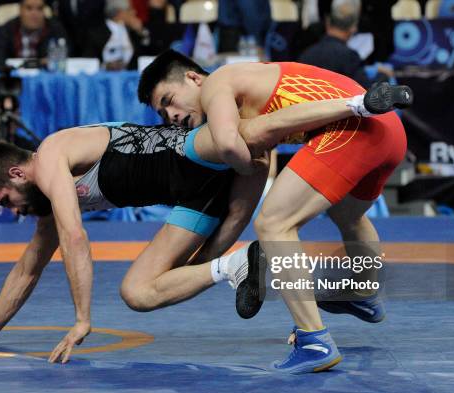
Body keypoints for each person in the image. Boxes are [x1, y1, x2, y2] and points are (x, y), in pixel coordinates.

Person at [0, 88, 394, 364]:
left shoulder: (52, 154)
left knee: (253, 132)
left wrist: (82, 320)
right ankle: (247, 268)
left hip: (188, 153)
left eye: (7, 201)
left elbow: (76, 238)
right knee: (140, 292)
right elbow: (27, 269)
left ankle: (352, 105)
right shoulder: (45, 200)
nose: (16, 211)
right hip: (195, 198)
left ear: (17, 174)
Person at [138, 50, 412, 372]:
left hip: (354, 126)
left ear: (193, 77)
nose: (169, 115)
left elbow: (228, 145)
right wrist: (203, 265)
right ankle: (362, 291)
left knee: (273, 224)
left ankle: (314, 340)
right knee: (348, 215)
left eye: (169, 100)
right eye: (162, 112)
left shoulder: (218, 84)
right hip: (388, 129)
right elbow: (240, 212)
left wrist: (242, 160)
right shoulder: (250, 99)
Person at [298, 0, 393, 87]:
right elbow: (364, 92)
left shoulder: (306, 55)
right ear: (353, 28)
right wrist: (383, 76)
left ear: (328, 23)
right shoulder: (349, 57)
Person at [0, 0, 69, 67]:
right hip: (14, 78)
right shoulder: (7, 29)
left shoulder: (55, 29)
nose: (34, 14)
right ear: (20, 10)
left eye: (39, 9)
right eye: (29, 8)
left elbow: (66, 55)